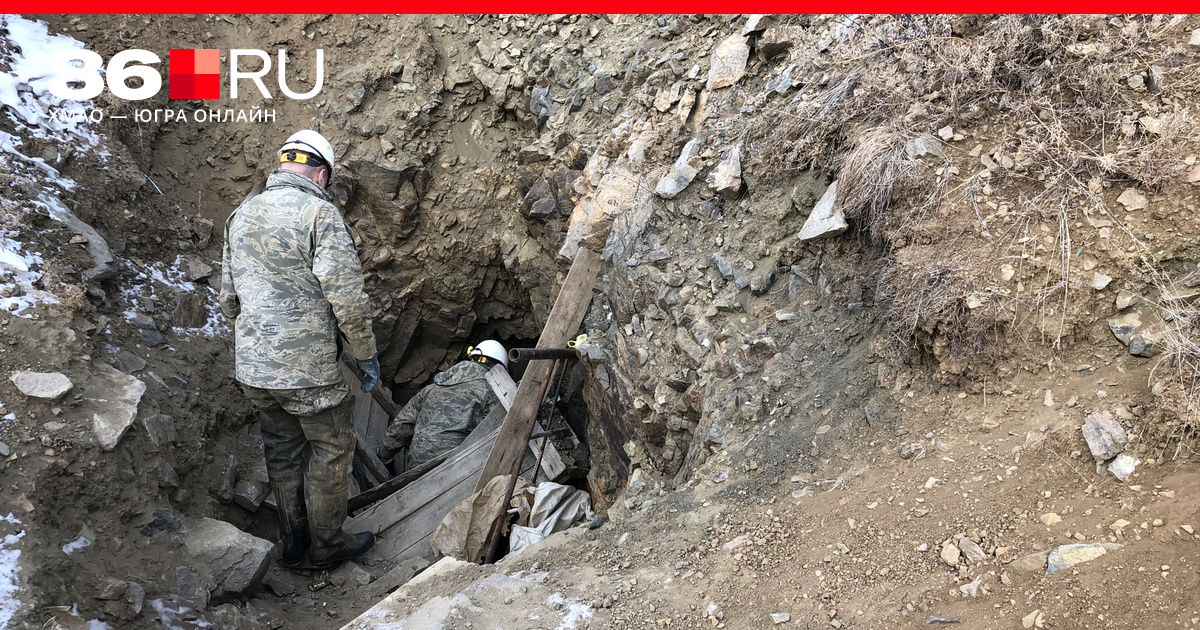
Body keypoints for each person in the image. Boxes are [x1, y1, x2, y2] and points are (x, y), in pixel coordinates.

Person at [219, 129, 380, 570]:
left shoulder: (242, 213)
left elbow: (228, 299)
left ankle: (292, 544)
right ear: (322, 174)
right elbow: (347, 298)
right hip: (308, 374)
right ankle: (326, 547)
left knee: (283, 451)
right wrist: (365, 353)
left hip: (255, 372)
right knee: (331, 451)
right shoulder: (319, 215)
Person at [379, 341, 508, 467]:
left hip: (417, 463)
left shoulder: (434, 387)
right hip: (453, 468)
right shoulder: (492, 393)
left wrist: (384, 457)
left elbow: (402, 424)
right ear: (498, 368)